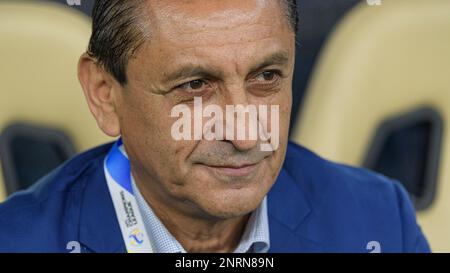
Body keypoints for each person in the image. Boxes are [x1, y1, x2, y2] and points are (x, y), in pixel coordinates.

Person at [0, 0, 430, 253]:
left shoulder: (379, 221)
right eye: (194, 85)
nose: (246, 136)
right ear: (104, 93)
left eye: (266, 77)